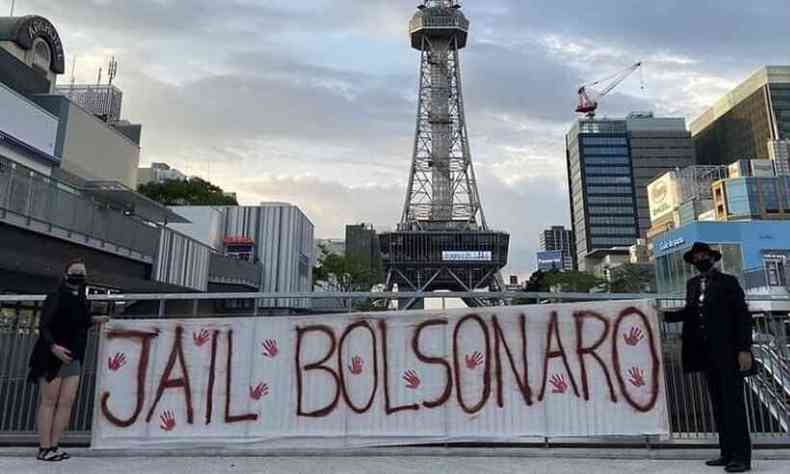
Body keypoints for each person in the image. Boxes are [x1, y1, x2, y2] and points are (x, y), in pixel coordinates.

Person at [662, 242, 753, 473]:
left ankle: (741, 457)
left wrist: (744, 348)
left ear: (713, 258)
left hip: (729, 351)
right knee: (718, 404)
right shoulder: (692, 284)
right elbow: (690, 313)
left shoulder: (728, 282)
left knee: (733, 404)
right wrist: (664, 316)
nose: (700, 259)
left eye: (704, 255)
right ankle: (726, 452)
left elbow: (741, 315)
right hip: (704, 352)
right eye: (696, 257)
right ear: (692, 262)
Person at [27, 259, 107, 462]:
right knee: (49, 402)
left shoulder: (81, 299)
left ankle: (55, 445)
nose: (79, 275)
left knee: (66, 402)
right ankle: (44, 448)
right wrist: (54, 347)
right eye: (75, 271)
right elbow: (44, 326)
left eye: (82, 272)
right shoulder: (54, 297)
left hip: (74, 356)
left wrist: (97, 319)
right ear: (66, 274)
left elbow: (81, 322)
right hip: (51, 357)